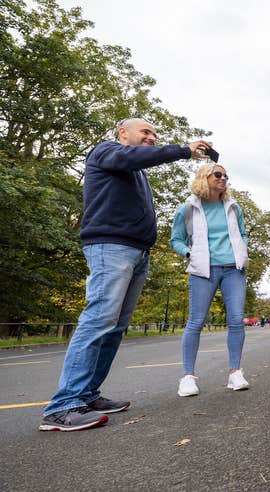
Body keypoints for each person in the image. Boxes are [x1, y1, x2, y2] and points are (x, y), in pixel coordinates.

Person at [40, 118, 211, 431]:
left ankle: (87, 395)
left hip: (135, 252)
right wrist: (183, 150)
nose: (151, 137)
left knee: (115, 326)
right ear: (123, 133)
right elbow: (134, 156)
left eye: (154, 134)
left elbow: (138, 163)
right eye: (145, 132)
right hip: (111, 247)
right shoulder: (107, 152)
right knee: (99, 320)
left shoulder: (134, 169)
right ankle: (62, 406)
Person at [171, 163, 249, 397]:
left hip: (233, 270)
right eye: (218, 174)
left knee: (236, 319)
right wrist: (189, 253)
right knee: (196, 321)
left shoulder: (234, 207)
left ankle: (235, 373)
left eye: (226, 175)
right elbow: (176, 240)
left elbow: (242, 234)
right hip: (204, 270)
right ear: (204, 177)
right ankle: (187, 377)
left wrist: (243, 251)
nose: (223, 178)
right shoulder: (188, 208)